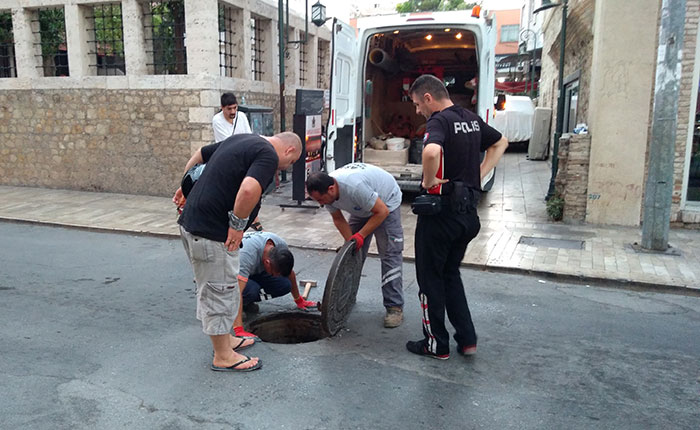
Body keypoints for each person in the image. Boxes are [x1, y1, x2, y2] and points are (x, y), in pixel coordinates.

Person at [175, 131, 301, 372]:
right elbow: (247, 190)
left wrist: (184, 186)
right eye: (292, 161)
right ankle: (223, 355)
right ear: (289, 150)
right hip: (212, 232)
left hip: (194, 225)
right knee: (219, 290)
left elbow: (201, 154)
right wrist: (237, 225)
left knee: (217, 286)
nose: (287, 166)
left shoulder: (243, 139)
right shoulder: (268, 155)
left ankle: (227, 340)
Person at [405, 74, 508, 360]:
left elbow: (431, 150)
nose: (417, 111)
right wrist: (480, 173)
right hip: (467, 217)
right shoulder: (471, 119)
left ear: (428, 97)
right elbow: (501, 142)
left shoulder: (439, 120)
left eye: (416, 104)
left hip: (441, 216)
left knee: (429, 280)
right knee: (450, 274)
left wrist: (429, 181)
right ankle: (467, 338)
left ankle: (436, 344)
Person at [305, 163, 405, 328]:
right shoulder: (327, 194)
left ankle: (394, 307)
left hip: (386, 203)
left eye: (321, 200)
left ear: (331, 189)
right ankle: (346, 298)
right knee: (350, 254)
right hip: (362, 207)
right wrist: (352, 241)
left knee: (390, 255)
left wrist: (361, 235)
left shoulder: (354, 186)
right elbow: (338, 219)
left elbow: (382, 212)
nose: (320, 204)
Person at [237, 231, 316, 318]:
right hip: (227, 275)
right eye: (273, 273)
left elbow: (289, 273)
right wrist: (238, 327)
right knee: (251, 290)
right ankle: (233, 306)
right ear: (267, 263)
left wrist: (299, 300)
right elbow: (237, 290)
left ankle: (247, 299)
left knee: (284, 285)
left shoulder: (280, 245)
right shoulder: (245, 257)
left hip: (252, 271)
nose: (275, 276)